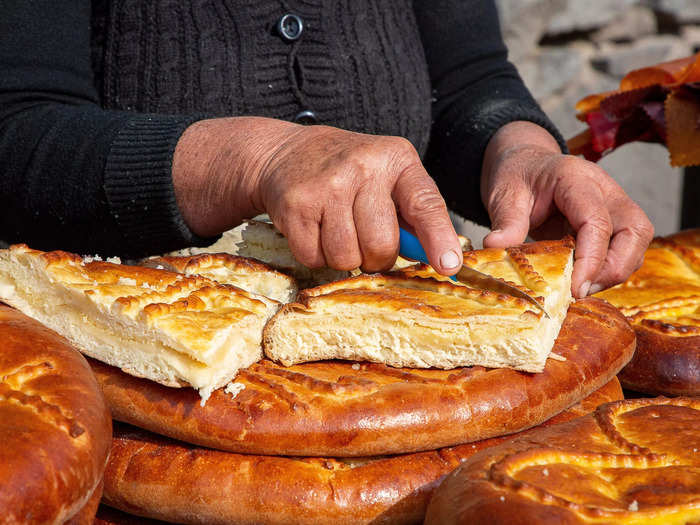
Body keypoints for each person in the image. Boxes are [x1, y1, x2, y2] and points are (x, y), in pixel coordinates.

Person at [0, 0, 653, 298]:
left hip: (414, 340)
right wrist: (259, 160)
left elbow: (468, 79)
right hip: (137, 378)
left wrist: (523, 154)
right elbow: (19, 132)